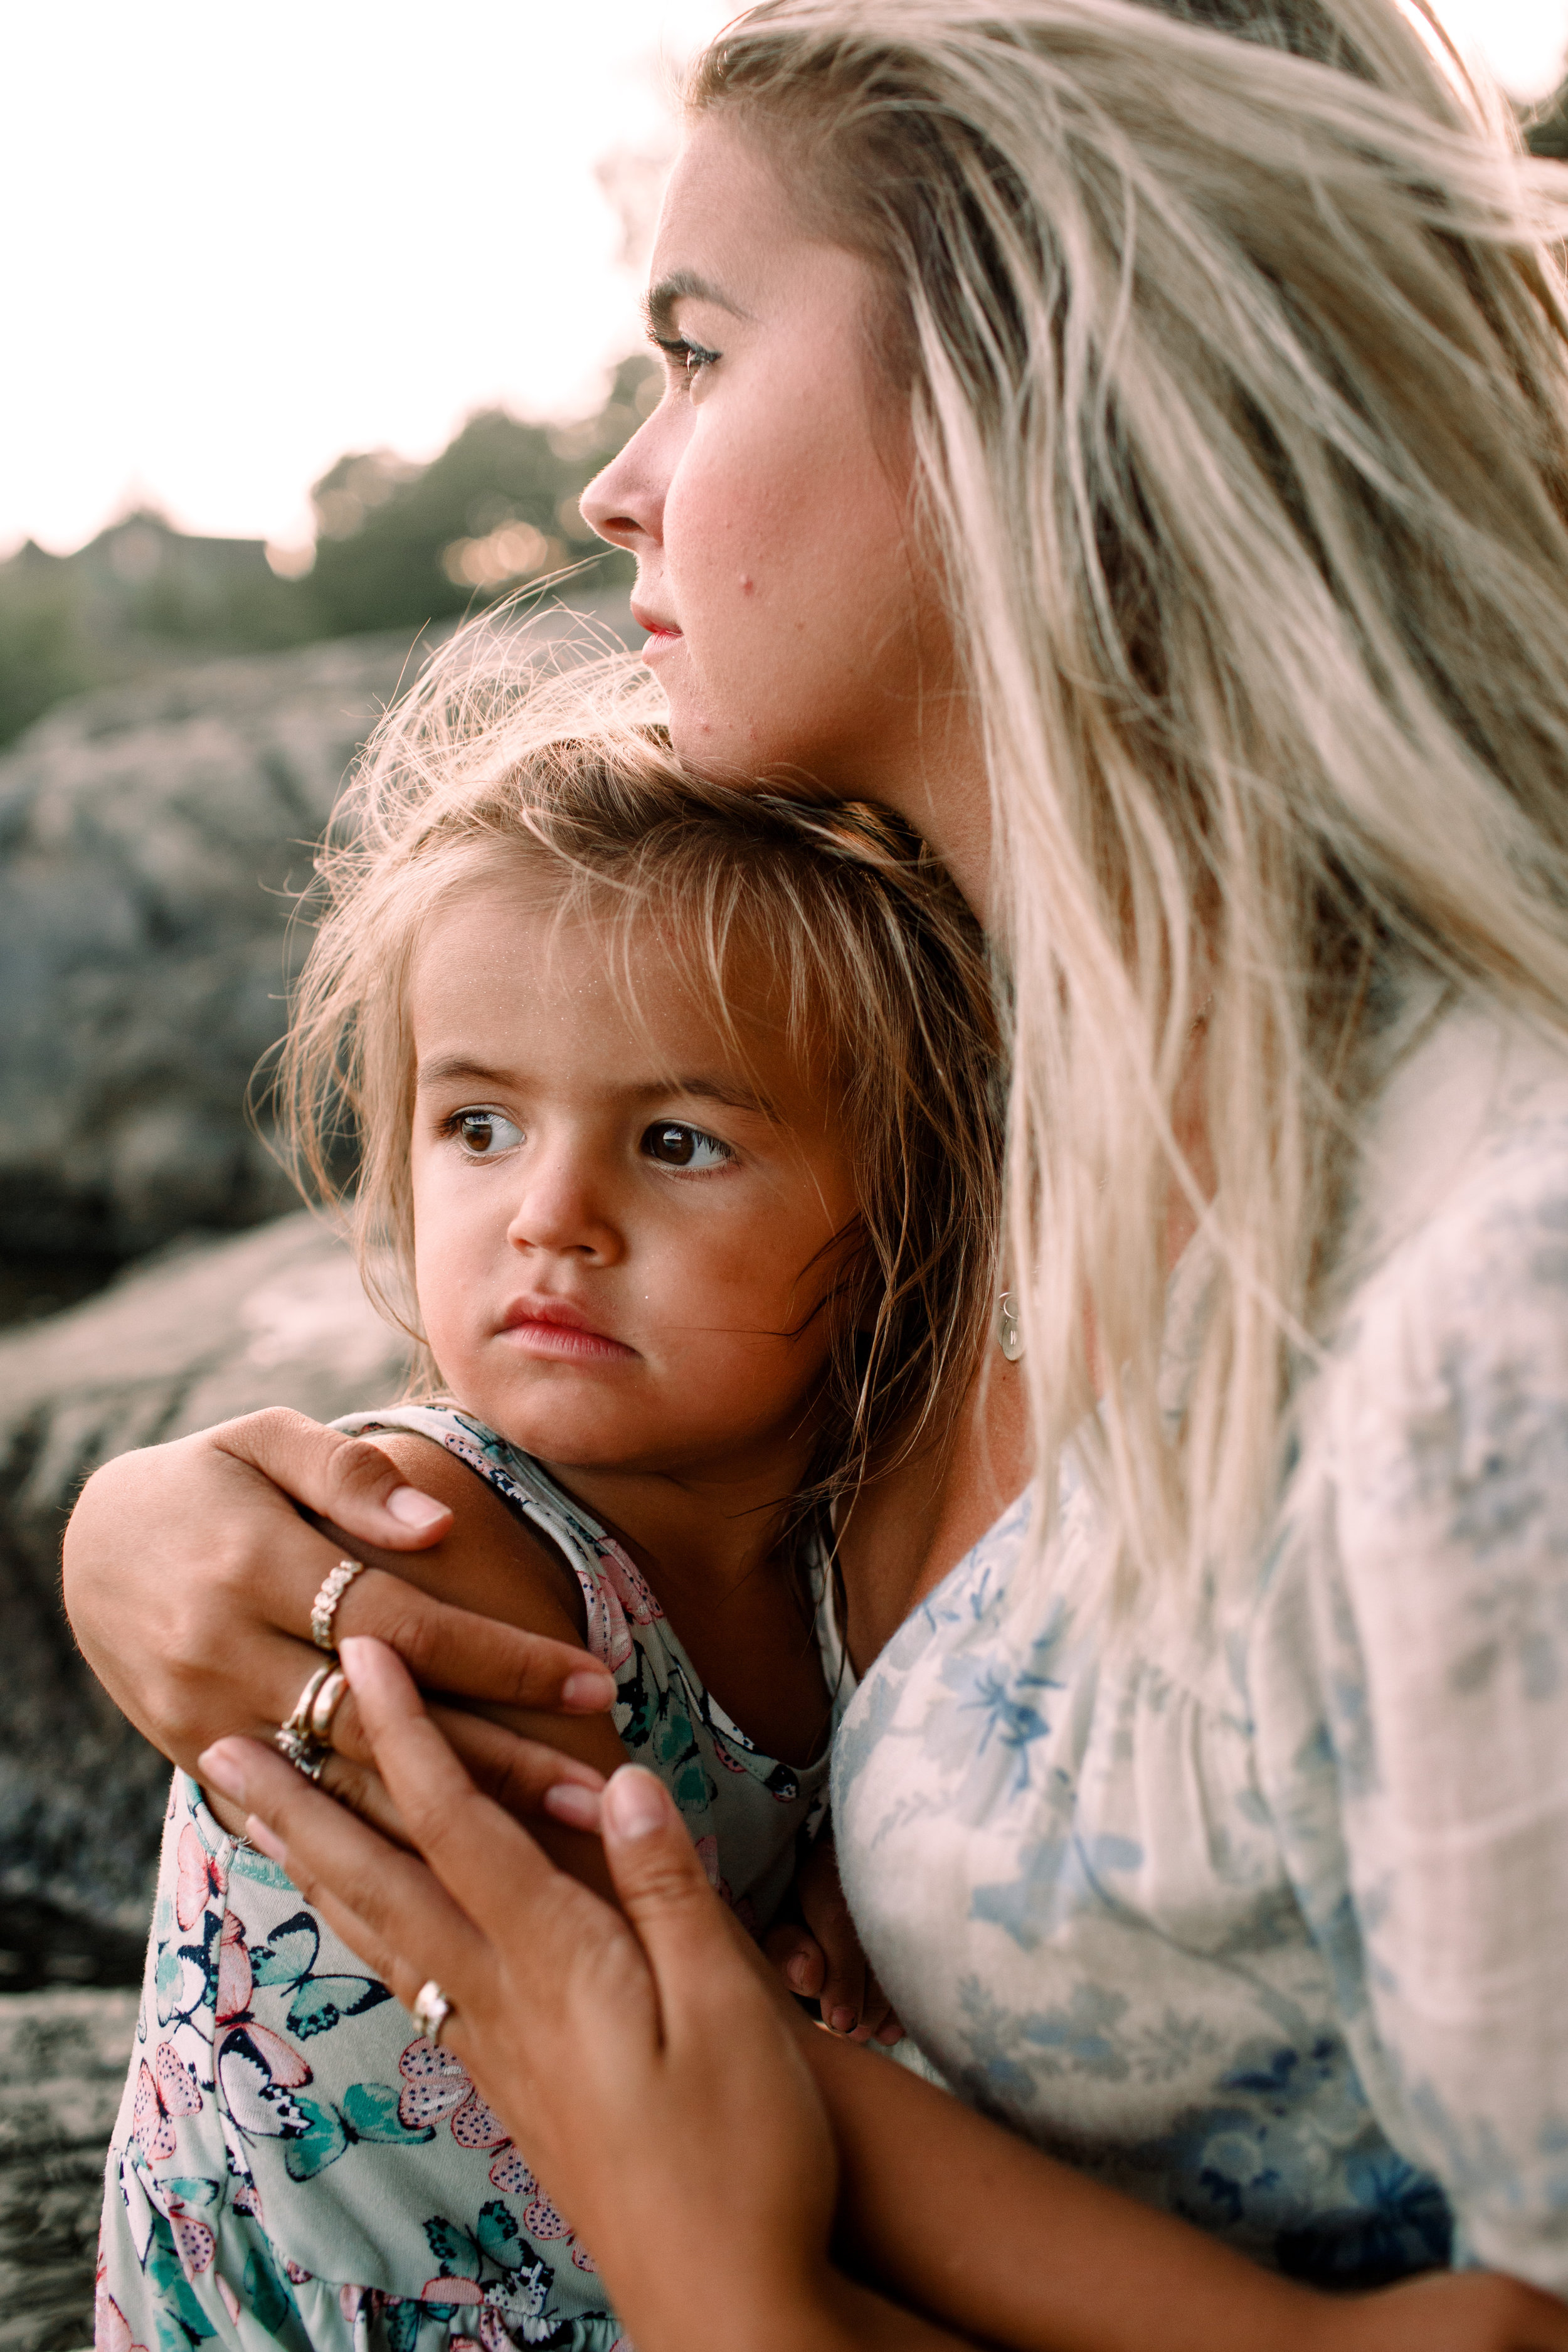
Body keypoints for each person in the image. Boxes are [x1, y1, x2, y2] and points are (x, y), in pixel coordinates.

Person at [66, 0, 1568, 2344]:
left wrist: (717, 2265)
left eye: (694, 349)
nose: (614, 487)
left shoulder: (1491, 1286)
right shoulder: (993, 1052)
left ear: (1017, 388)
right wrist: (139, 1537)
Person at [95, 668, 1003, 2349]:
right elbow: (736, 2077)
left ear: (898, 1211)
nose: (550, 1217)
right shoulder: (427, 1542)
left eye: (673, 1140)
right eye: (482, 1124)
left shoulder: (859, 1526)